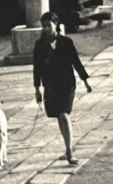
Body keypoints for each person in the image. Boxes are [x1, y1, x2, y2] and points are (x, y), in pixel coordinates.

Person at [33, 11, 92, 165]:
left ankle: (69, 151)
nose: (46, 29)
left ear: (56, 24)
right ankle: (67, 147)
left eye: (49, 25)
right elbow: (37, 68)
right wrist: (37, 89)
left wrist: (85, 81)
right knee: (59, 115)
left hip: (67, 84)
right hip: (50, 85)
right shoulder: (40, 45)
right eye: (44, 26)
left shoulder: (66, 42)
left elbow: (76, 61)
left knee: (64, 114)